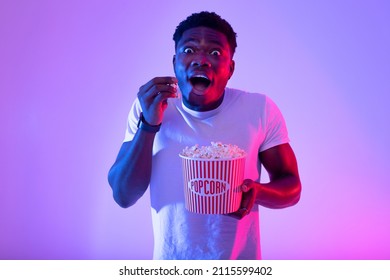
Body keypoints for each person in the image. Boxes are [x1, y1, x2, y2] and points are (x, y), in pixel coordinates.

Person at [108, 11, 301, 260]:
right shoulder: (150, 106)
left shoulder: (259, 109)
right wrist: (149, 124)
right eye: (188, 51)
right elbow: (123, 195)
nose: (201, 60)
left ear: (230, 68)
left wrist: (258, 192)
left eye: (215, 53)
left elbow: (292, 187)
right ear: (175, 61)